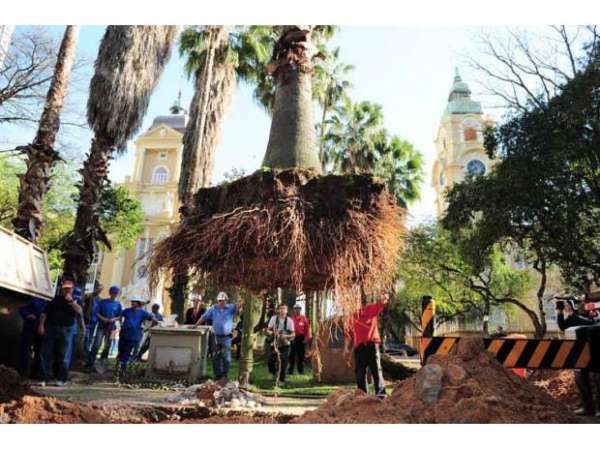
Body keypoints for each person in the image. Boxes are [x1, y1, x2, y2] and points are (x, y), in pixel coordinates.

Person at [556, 299, 600, 416]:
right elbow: (562, 326)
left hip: (595, 352)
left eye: (582, 302)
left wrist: (573, 314)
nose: (581, 305)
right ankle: (588, 408)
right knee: (581, 379)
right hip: (580, 354)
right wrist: (560, 312)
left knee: (597, 379)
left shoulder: (590, 316)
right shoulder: (573, 316)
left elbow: (591, 323)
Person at [38, 278, 83, 386]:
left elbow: (80, 311)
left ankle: (61, 379)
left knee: (64, 356)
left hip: (67, 330)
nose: (67, 291)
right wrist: (41, 326)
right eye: (65, 289)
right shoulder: (55, 299)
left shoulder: (76, 300)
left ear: (72, 289)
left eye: (69, 289)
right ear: (62, 289)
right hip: (52, 328)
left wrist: (71, 302)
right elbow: (44, 313)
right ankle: (44, 378)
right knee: (46, 353)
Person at [349, 293, 388, 398]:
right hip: (359, 347)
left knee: (376, 370)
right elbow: (349, 333)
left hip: (371, 344)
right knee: (360, 372)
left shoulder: (370, 309)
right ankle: (362, 395)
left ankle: (381, 395)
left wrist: (384, 296)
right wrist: (348, 347)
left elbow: (381, 303)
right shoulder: (352, 316)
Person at [196, 291, 241, 380]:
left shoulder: (230, 307)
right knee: (215, 356)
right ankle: (217, 375)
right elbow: (204, 316)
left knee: (226, 357)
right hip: (215, 336)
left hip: (226, 337)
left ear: (226, 301)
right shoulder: (213, 308)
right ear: (217, 301)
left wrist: (239, 304)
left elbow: (238, 311)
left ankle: (224, 375)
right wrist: (195, 325)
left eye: (223, 300)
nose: (221, 302)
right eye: (220, 300)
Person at [115, 297, 156, 380]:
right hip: (124, 334)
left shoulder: (143, 312)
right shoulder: (126, 311)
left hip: (134, 336)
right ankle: (119, 368)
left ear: (138, 303)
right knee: (121, 351)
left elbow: (152, 319)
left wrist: (147, 328)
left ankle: (124, 370)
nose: (133, 303)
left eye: (134, 302)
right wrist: (121, 324)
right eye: (132, 301)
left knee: (128, 353)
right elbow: (120, 317)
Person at [85, 285, 123, 370]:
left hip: (112, 328)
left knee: (108, 346)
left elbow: (120, 316)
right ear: (110, 293)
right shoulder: (103, 302)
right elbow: (96, 312)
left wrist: (114, 319)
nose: (114, 294)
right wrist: (103, 318)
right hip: (101, 327)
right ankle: (90, 363)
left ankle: (102, 363)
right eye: (113, 293)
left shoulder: (118, 304)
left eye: (116, 293)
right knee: (96, 345)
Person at [18, 296, 47, 379]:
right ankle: (23, 372)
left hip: (42, 327)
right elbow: (22, 308)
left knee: (39, 351)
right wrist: (27, 315)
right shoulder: (30, 297)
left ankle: (35, 373)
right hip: (30, 326)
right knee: (25, 350)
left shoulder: (46, 298)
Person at [266, 303, 295, 385]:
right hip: (275, 342)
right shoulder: (273, 318)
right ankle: (274, 374)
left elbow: (293, 334)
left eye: (284, 309)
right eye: (281, 308)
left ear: (287, 310)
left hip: (285, 343)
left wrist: (285, 336)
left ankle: (282, 379)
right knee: (270, 360)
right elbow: (268, 330)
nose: (282, 310)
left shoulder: (290, 320)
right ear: (278, 310)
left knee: (284, 361)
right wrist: (273, 333)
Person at [288, 303, 311, 375]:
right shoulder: (291, 319)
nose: (297, 310)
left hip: (301, 338)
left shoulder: (304, 318)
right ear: (294, 310)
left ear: (300, 309)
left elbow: (307, 329)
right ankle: (290, 370)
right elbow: (288, 329)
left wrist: (306, 338)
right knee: (291, 355)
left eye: (298, 308)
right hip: (293, 337)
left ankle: (300, 371)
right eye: (295, 309)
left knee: (301, 355)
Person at [66, 287, 86, 369]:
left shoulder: (78, 303)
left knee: (72, 349)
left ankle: (68, 368)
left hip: (75, 328)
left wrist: (83, 328)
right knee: (67, 350)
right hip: (67, 328)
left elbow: (80, 316)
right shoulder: (66, 302)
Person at [83, 283, 103, 355]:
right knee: (85, 336)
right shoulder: (89, 296)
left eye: (101, 290)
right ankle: (85, 350)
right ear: (95, 288)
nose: (99, 291)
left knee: (90, 337)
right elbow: (83, 303)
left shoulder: (100, 300)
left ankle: (87, 351)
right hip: (87, 320)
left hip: (94, 321)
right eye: (98, 289)